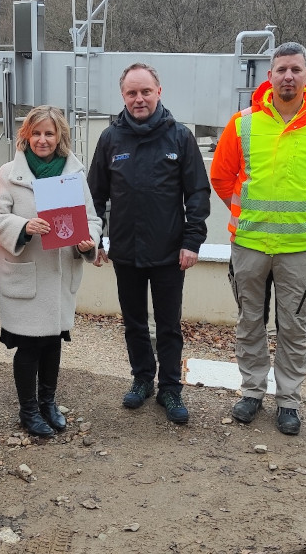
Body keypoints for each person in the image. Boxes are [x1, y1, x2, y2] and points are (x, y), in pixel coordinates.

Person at [210, 42, 306, 435]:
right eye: (281, 70)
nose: (287, 76)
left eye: (295, 69)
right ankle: (252, 392)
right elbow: (221, 176)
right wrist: (243, 213)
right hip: (249, 245)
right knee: (249, 323)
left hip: (298, 250)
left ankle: (288, 400)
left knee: (293, 327)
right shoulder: (242, 123)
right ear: (269, 76)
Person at [88, 63, 209, 425]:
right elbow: (94, 194)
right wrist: (96, 239)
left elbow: (198, 193)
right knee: (134, 323)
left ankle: (170, 387)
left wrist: (193, 241)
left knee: (168, 324)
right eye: (131, 93)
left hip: (170, 252)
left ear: (159, 92)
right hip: (125, 252)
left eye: (145, 92)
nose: (138, 99)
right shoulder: (111, 139)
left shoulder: (180, 137)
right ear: (123, 96)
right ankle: (143, 380)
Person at [0, 106, 102, 437]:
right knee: (29, 345)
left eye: (49, 133)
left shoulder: (74, 175)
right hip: (26, 275)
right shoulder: (9, 173)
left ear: (60, 136)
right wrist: (24, 226)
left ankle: (49, 403)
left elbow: (92, 220)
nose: (42, 139)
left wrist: (87, 242)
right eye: (36, 133)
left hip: (61, 273)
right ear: (26, 135)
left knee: (53, 342)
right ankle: (29, 410)